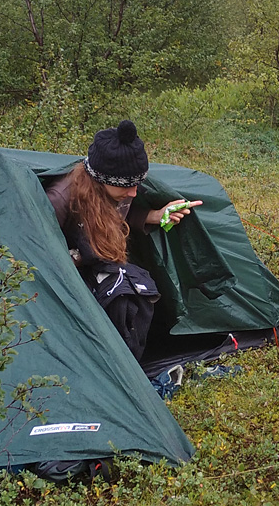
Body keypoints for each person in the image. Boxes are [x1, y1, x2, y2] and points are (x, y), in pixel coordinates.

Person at [44, 120, 201, 356]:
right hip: (69, 279)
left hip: (98, 267)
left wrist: (153, 215)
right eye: (127, 187)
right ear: (101, 179)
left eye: (137, 185)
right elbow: (42, 253)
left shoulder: (116, 187)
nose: (134, 193)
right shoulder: (59, 199)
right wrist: (79, 257)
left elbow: (118, 214)